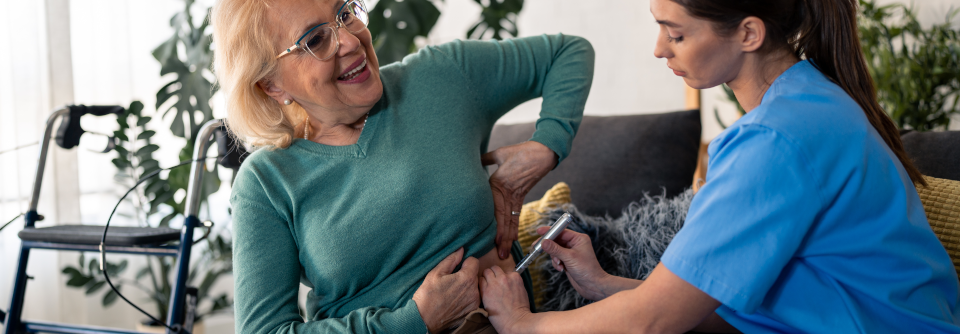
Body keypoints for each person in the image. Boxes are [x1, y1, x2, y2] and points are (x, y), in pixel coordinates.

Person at [479, 0, 960, 333]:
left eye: (677, 33)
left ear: (749, 33)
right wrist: (605, 284)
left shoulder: (774, 143)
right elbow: (715, 305)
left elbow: (654, 321)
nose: (659, 49)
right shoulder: (812, 99)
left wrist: (523, 324)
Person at [211, 0, 593, 331]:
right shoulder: (266, 182)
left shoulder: (438, 78)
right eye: (314, 40)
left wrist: (545, 147)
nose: (349, 39)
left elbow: (568, 54)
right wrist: (415, 321)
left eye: (344, 13)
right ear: (271, 85)